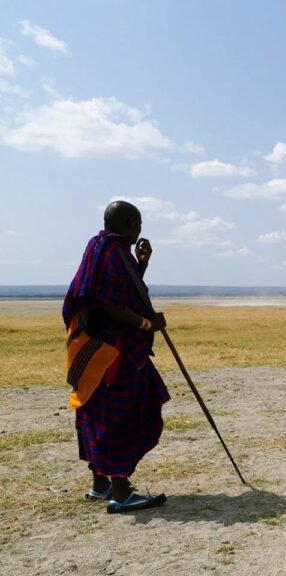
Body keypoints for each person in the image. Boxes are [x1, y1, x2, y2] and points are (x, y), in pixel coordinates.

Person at [62, 200, 170, 513]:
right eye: (137, 223)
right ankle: (121, 491)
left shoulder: (99, 248)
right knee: (126, 414)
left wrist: (141, 265)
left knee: (95, 412)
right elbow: (113, 306)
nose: (139, 229)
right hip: (115, 355)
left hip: (92, 353)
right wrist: (150, 324)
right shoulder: (113, 251)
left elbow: (119, 291)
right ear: (125, 222)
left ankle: (101, 484)